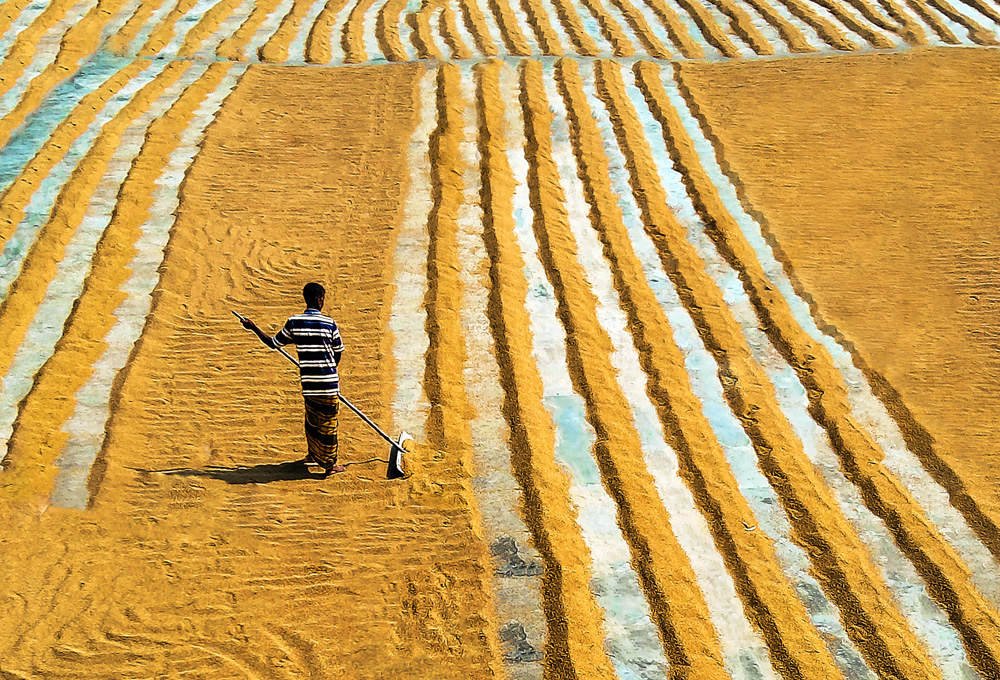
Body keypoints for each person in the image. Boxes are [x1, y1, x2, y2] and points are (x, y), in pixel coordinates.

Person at [241, 282, 346, 476]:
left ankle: (314, 455)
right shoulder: (330, 323)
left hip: (309, 385)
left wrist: (254, 327)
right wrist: (329, 367)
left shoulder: (294, 322)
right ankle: (330, 465)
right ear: (320, 299)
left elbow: (273, 343)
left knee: (312, 422)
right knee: (328, 425)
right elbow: (338, 353)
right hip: (329, 384)